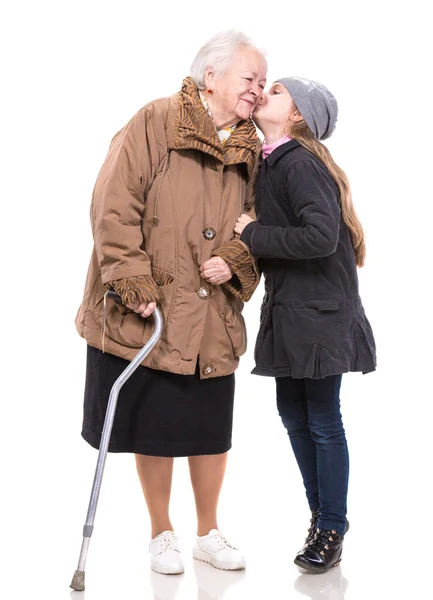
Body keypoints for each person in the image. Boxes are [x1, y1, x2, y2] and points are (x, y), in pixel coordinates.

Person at [75, 30, 267, 575]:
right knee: (154, 424)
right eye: (248, 77)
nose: (258, 88)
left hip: (212, 310)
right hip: (155, 306)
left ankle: (207, 530)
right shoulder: (156, 121)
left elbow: (258, 219)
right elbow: (113, 203)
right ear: (212, 77)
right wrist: (131, 278)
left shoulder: (253, 148)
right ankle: (161, 531)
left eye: (261, 80)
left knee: (211, 427)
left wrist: (236, 256)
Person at [234, 76, 376, 573]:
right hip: (291, 312)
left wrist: (253, 233)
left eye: (275, 92)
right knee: (294, 418)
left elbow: (318, 236)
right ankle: (321, 519)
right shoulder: (273, 163)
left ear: (296, 116)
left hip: (319, 316)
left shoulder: (298, 163)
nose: (261, 95)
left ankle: (331, 526)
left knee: (321, 420)